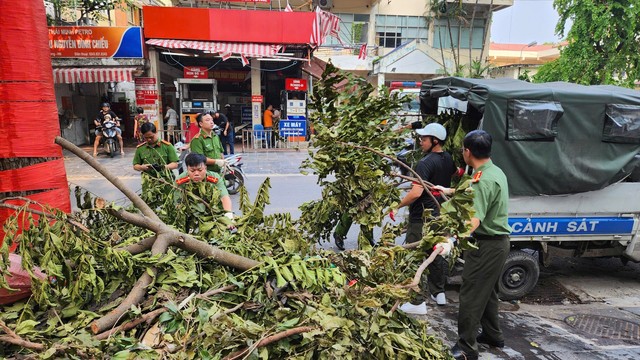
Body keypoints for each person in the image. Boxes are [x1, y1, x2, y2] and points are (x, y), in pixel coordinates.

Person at [433, 130, 511, 360]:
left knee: (471, 294)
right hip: (497, 245)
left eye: (462, 150)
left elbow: (473, 220)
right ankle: (493, 335)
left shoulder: (482, 180)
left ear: (468, 152)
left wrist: (451, 240)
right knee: (487, 293)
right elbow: (474, 193)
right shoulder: (492, 171)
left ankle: (467, 347)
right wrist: (448, 191)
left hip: (487, 245)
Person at [391, 123, 456, 315]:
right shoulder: (448, 159)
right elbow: (450, 177)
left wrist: (396, 206)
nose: (420, 142)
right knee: (436, 253)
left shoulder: (425, 163)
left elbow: (415, 193)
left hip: (421, 217)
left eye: (424, 139)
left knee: (415, 256)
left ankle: (417, 302)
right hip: (438, 215)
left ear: (435, 141)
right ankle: (439, 293)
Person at [175, 153, 233, 221]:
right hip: (191, 213)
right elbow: (177, 201)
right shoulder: (181, 180)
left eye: (200, 170)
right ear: (187, 169)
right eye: (192, 171)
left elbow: (224, 197)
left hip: (213, 211)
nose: (196, 174)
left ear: (205, 168)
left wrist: (228, 215)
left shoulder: (214, 178)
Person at [132, 122, 179, 193]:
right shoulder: (140, 149)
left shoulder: (167, 146)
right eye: (146, 138)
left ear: (156, 132)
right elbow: (135, 165)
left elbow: (175, 164)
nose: (149, 140)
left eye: (151, 137)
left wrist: (163, 167)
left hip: (166, 182)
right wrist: (142, 167)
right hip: (149, 183)